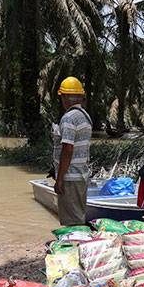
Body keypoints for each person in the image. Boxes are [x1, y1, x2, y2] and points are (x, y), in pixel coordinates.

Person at [52, 76, 93, 226]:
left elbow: (67, 149)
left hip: (70, 177)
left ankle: (75, 246)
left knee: (71, 221)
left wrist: (60, 178)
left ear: (64, 98)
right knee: (78, 216)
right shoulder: (85, 116)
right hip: (81, 175)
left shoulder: (69, 118)